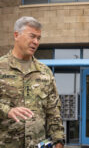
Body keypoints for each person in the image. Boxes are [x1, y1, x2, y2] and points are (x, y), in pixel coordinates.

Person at [0, 16, 65, 148]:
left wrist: (59, 141)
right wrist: (7, 110)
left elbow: (53, 110)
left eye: (38, 38)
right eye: (32, 36)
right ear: (16, 35)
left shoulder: (45, 72)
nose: (36, 42)